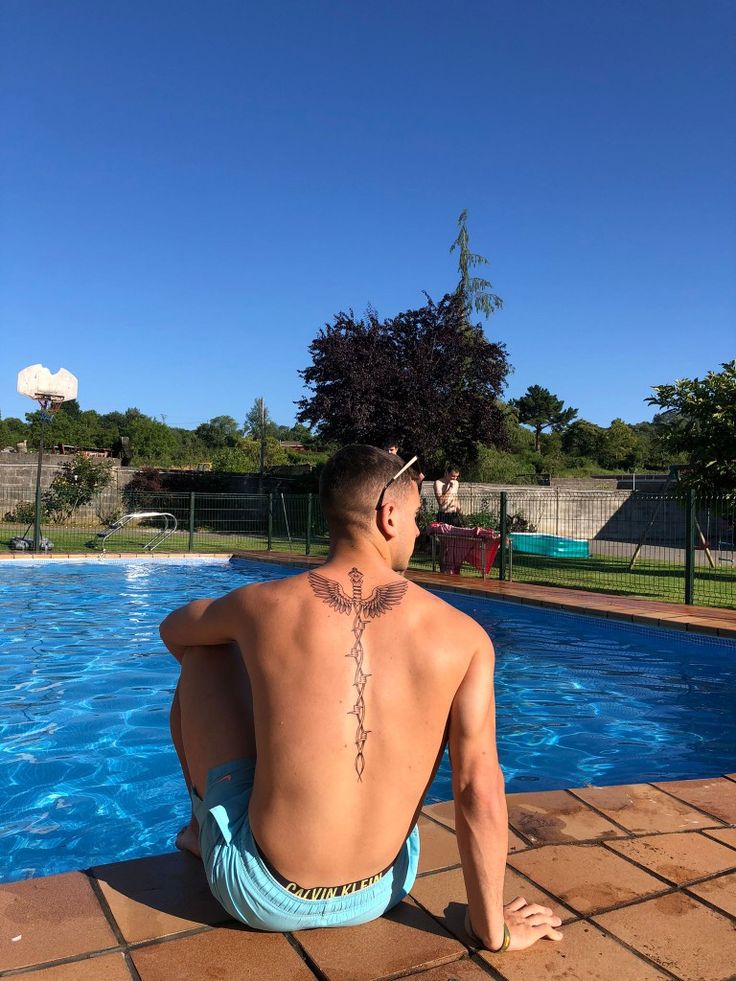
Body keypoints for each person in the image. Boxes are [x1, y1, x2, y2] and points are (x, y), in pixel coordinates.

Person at [160, 445, 562, 950]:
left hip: (259, 893)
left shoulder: (260, 605)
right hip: (384, 888)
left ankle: (202, 831)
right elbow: (478, 788)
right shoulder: (465, 636)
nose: (419, 532)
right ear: (388, 516)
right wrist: (493, 931)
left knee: (205, 653)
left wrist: (257, 665)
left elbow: (173, 630)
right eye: (417, 517)